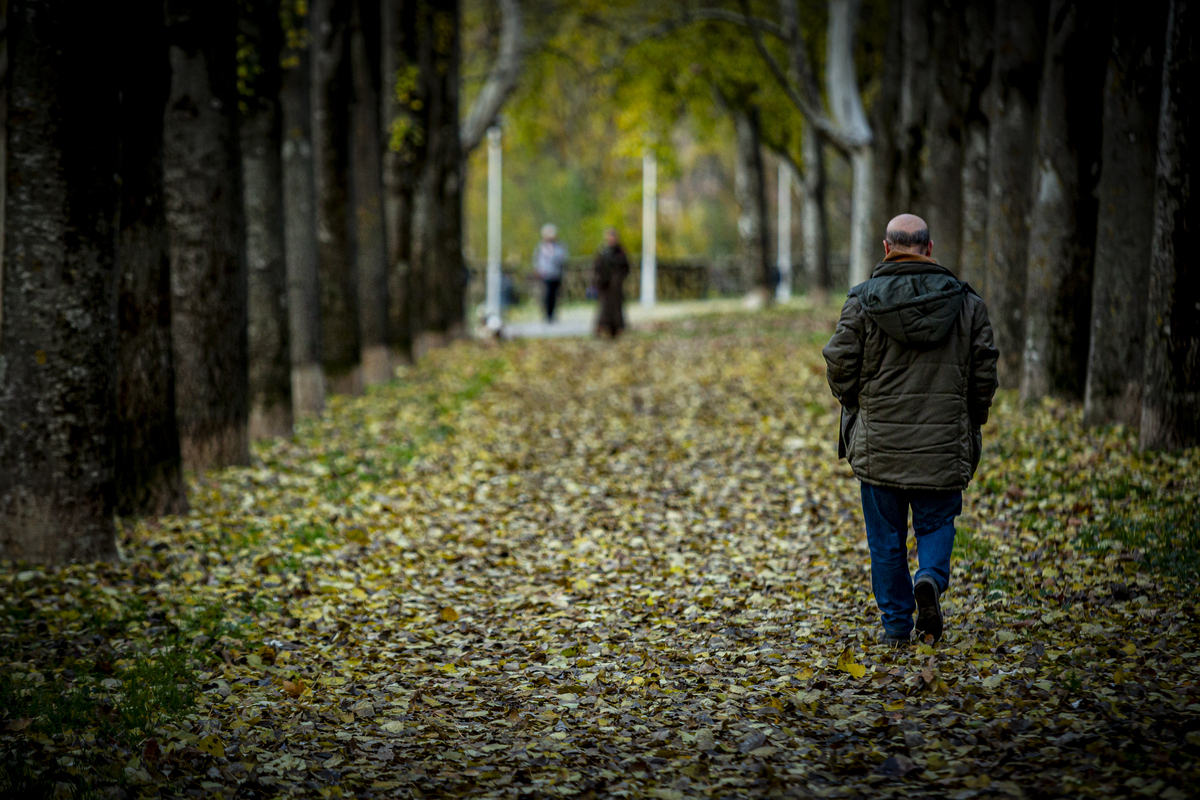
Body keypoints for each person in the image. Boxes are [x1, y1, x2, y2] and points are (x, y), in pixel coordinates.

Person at [822, 214, 999, 645]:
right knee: (937, 523)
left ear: (886, 248)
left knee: (885, 539)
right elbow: (984, 372)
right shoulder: (967, 304)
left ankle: (897, 627)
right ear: (929, 248)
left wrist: (854, 402)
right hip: (941, 446)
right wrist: (971, 418)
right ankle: (931, 580)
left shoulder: (863, 301)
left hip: (880, 446)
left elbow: (839, 361)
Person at [592, 228, 631, 338]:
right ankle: (602, 328)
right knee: (604, 308)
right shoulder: (602, 251)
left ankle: (617, 329)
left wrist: (618, 278)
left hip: (616, 286)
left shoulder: (620, 252)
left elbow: (625, 268)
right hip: (604, 285)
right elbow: (597, 267)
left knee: (616, 309)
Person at [533, 224, 568, 322]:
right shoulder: (541, 247)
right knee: (546, 294)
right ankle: (547, 314)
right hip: (545, 274)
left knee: (555, 295)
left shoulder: (559, 247)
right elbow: (537, 259)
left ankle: (553, 314)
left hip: (556, 274)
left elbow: (563, 258)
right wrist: (538, 269)